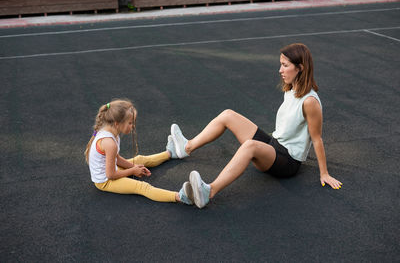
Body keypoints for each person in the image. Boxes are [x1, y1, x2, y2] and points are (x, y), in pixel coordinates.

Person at [170, 43, 343, 208]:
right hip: (275, 145)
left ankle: (209, 191)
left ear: (300, 68)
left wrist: (324, 173)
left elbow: (317, 138)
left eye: (285, 65)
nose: (280, 70)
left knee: (250, 146)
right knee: (228, 115)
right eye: (280, 64)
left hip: (288, 161)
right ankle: (186, 147)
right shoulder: (291, 89)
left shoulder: (310, 102)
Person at [84, 99, 193, 205]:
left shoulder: (111, 132)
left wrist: (133, 166)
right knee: (142, 187)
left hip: (112, 170)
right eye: (130, 123)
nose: (133, 126)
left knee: (140, 159)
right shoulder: (109, 143)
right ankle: (181, 197)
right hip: (105, 181)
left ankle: (171, 153)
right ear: (117, 123)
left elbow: (116, 159)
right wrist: (132, 171)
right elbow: (111, 175)